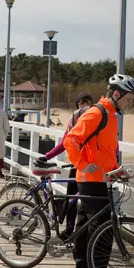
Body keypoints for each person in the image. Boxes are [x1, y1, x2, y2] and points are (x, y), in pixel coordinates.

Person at [64, 74, 134, 268]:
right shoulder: (97, 112)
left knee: (85, 223)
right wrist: (81, 163)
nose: (130, 102)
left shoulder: (111, 114)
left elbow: (103, 151)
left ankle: (82, 267)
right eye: (129, 98)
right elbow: (71, 139)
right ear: (116, 94)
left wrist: (116, 170)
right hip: (90, 179)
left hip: (99, 178)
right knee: (103, 226)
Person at [38, 92, 94, 239]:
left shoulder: (96, 121)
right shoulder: (74, 122)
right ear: (77, 107)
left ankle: (87, 234)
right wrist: (47, 156)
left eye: (88, 102)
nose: (85, 105)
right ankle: (69, 231)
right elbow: (64, 143)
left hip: (93, 169)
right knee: (71, 202)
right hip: (78, 166)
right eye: (82, 103)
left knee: (88, 203)